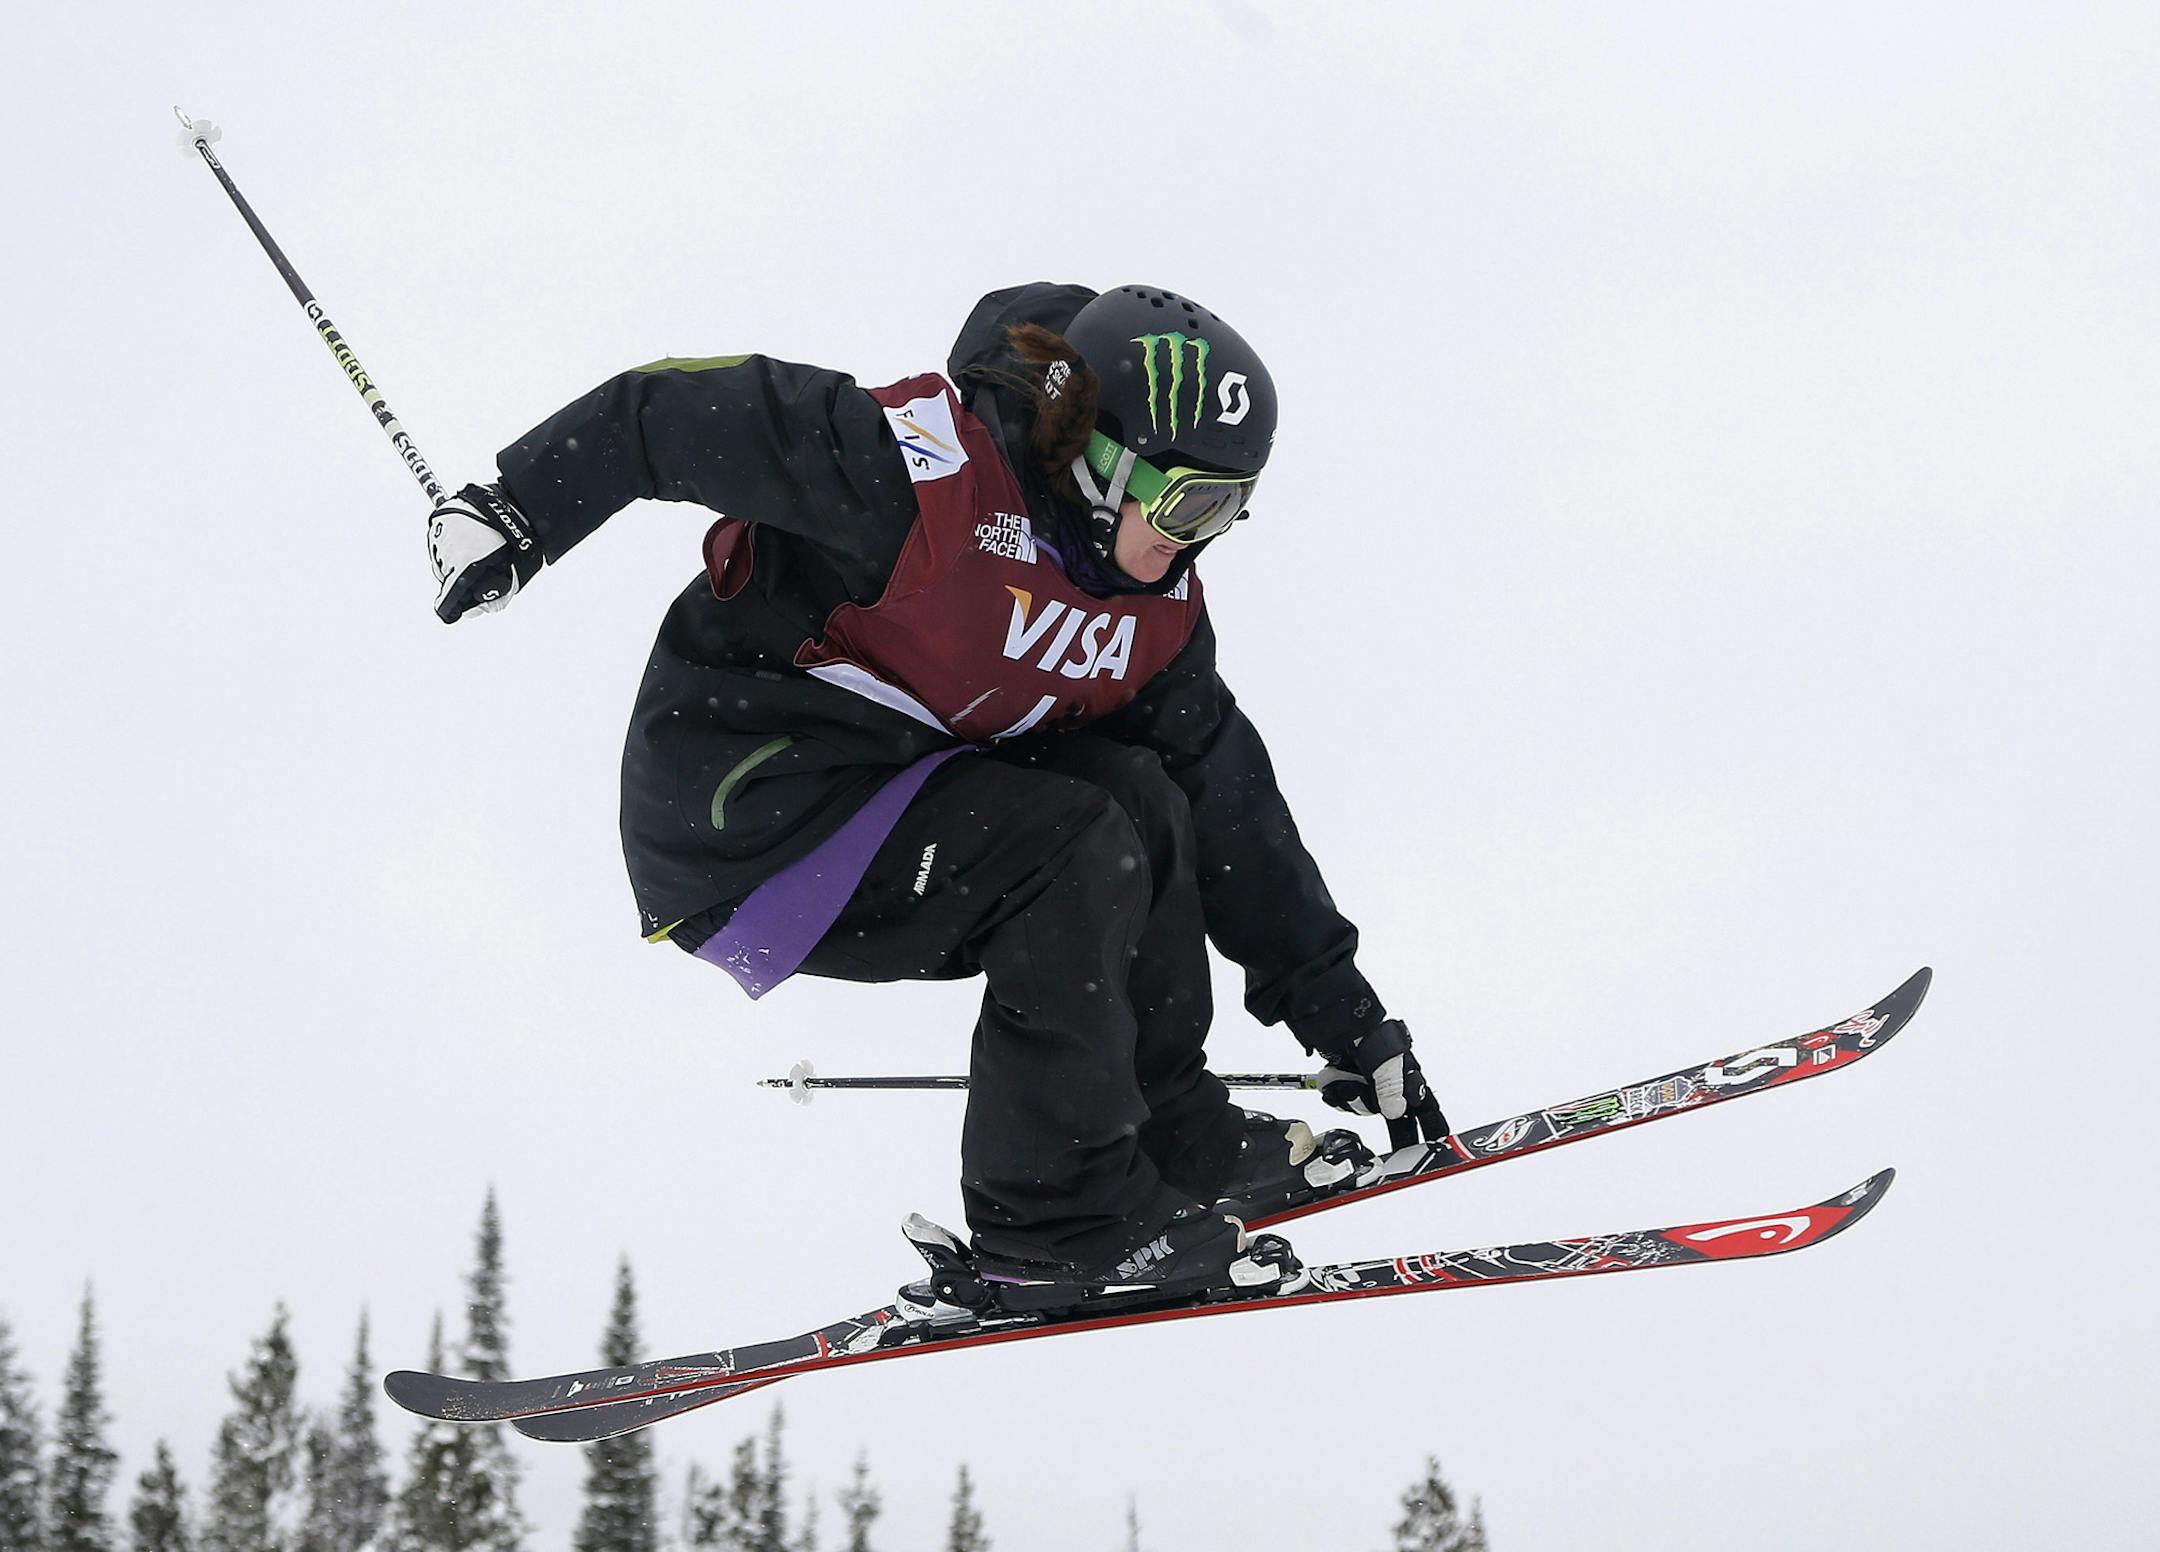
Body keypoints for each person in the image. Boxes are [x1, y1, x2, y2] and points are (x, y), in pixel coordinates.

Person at [424, 282, 1450, 1307]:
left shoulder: (1157, 615)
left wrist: (1344, 1017)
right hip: (748, 820)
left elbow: (1228, 800)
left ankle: (1171, 1133)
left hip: (904, 790)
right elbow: (669, 411)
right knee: (1079, 840)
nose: (1200, 541)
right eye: (1190, 503)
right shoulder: (918, 480)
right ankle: (1053, 1222)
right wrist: (520, 512)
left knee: (1144, 795)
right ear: (1102, 456)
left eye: (1232, 509)